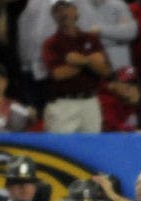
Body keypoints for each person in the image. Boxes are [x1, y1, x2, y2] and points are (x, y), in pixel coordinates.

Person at [41, 0, 111, 133]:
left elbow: (106, 70)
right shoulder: (51, 43)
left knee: (90, 148)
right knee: (60, 148)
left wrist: (82, 61)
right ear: (53, 15)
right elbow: (58, 74)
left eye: (66, 7)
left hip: (90, 102)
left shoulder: (91, 38)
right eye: (57, 10)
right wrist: (91, 62)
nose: (63, 13)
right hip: (64, 104)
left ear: (75, 11)